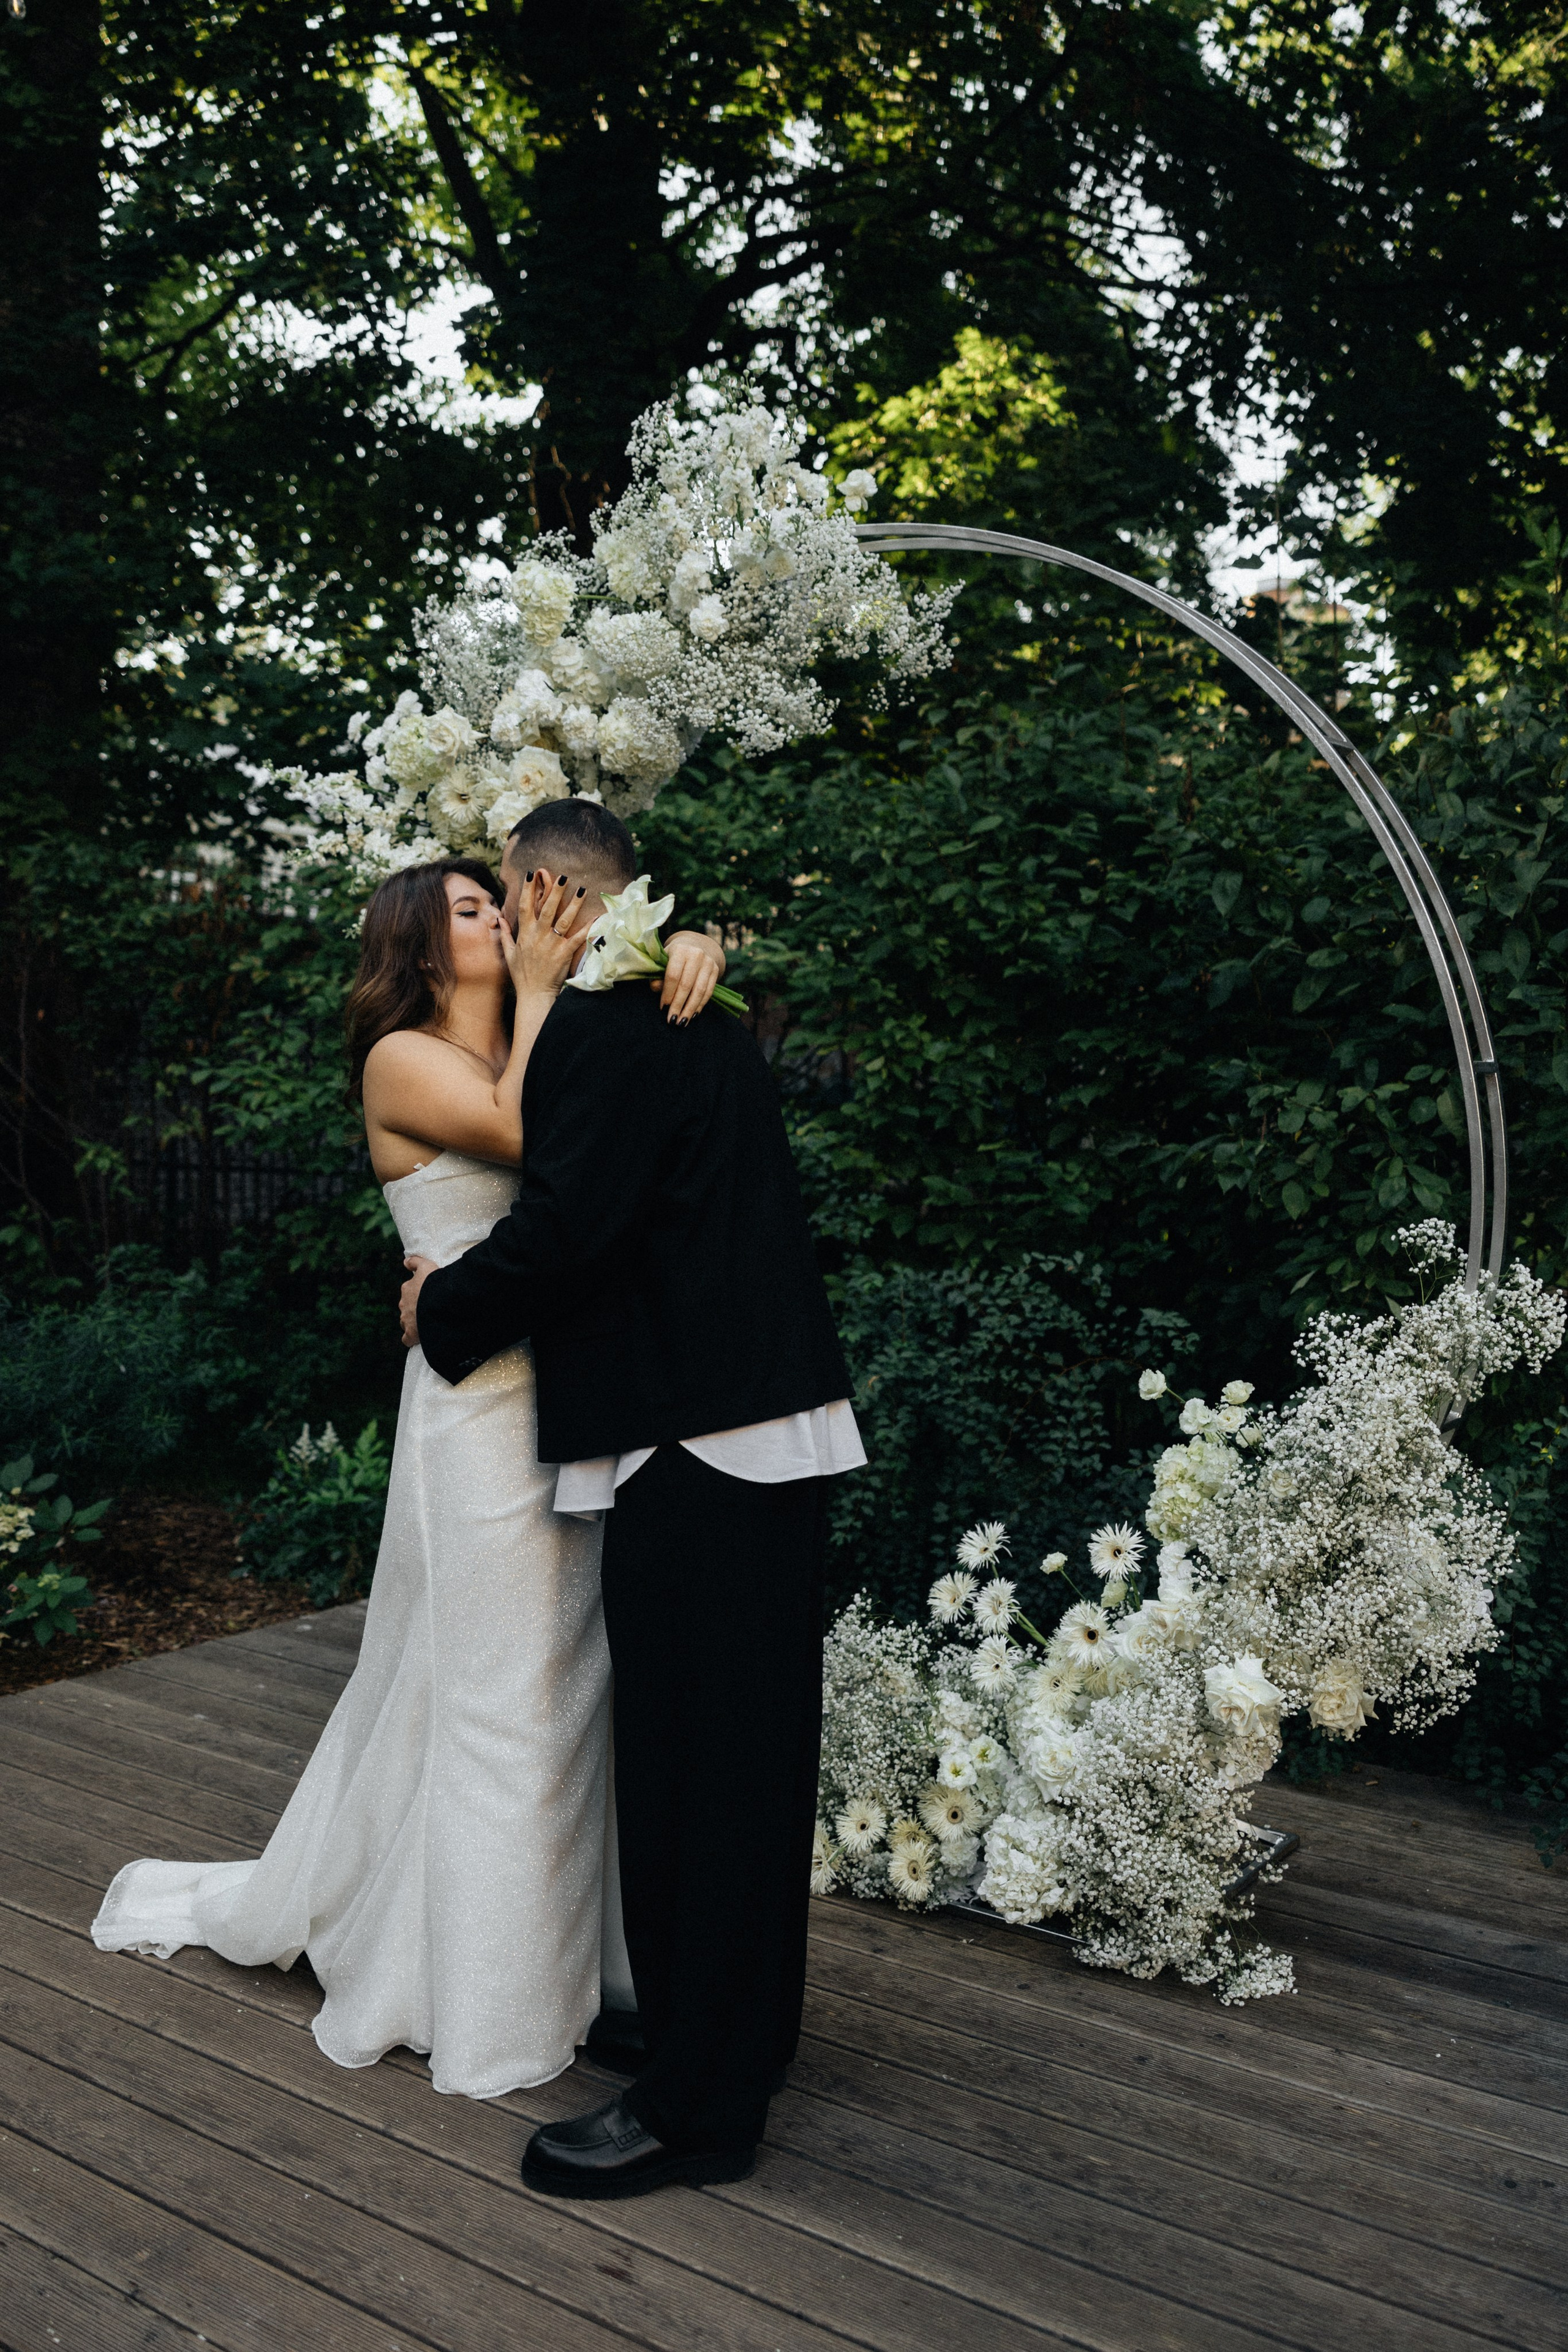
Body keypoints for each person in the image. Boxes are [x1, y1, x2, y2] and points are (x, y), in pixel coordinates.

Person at [90, 841, 728, 2100]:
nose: (510, 916)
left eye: (505, 901)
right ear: (420, 945)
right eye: (476, 907)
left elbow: (615, 1123)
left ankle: (583, 1971)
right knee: (502, 1695)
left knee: (568, 1687)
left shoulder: (546, 1023)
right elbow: (534, 1134)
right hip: (479, 1412)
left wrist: (691, 949)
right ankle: (487, 1999)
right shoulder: (404, 1058)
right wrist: (545, 987)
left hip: (581, 1403)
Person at [405, 796, 865, 2199]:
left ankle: (697, 2111)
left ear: (549, 896)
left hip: (700, 1441)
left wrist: (439, 1309)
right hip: (744, 1431)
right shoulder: (684, 1010)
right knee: (733, 1770)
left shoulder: (610, 1026)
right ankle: (714, 2035)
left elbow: (568, 1228)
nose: (502, 917)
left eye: (505, 894)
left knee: (699, 1780)